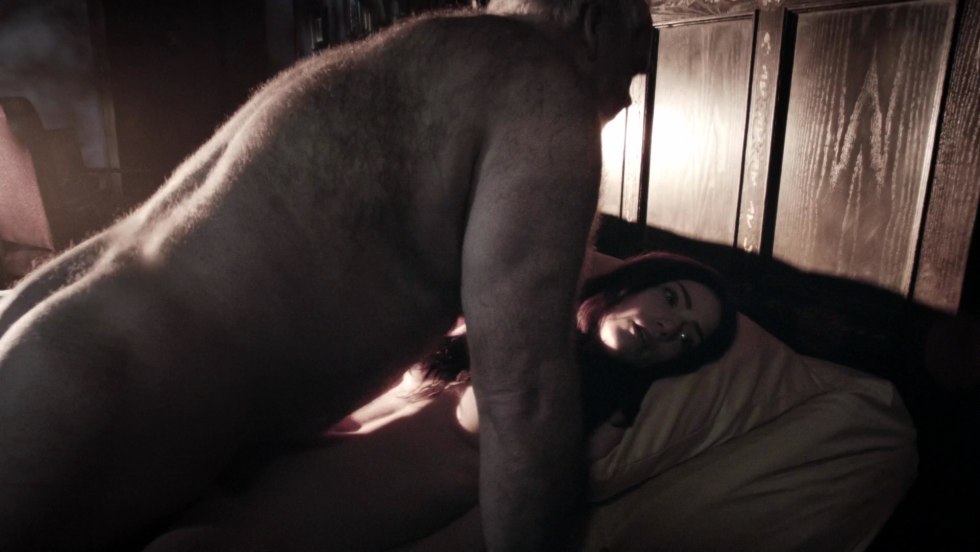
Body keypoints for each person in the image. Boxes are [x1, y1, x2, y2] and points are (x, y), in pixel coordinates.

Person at [0, 1, 653, 550]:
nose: (630, 92)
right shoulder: (546, 94)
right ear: (593, 23)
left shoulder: (416, 53)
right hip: (98, 409)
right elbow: (524, 397)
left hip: (51, 349)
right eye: (635, 56)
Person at [141, 251, 738, 551]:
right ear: (632, 283)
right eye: (671, 299)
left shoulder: (601, 415)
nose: (669, 328)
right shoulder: (512, 313)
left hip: (309, 525)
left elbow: (506, 527)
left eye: (686, 339)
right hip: (263, 466)